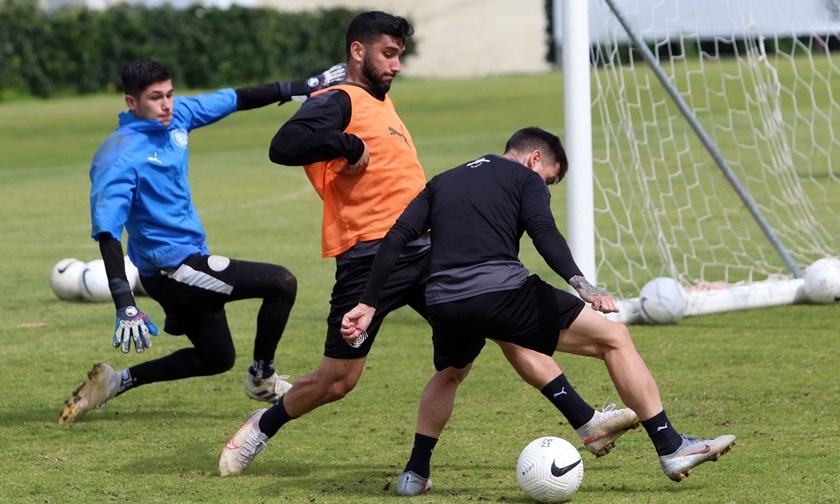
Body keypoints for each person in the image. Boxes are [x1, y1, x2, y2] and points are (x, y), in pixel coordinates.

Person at [217, 11, 639, 484]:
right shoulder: (341, 99)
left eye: (400, 55)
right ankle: (261, 426)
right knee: (338, 381)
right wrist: (349, 146)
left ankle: (584, 422)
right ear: (358, 51)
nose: (396, 65)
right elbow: (285, 143)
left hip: (431, 253)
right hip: (368, 255)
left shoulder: (383, 106)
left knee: (504, 327)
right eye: (388, 53)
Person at [340, 126, 737, 493]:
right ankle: (670, 446)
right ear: (533, 159)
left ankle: (415, 473)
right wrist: (583, 285)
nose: (544, 184)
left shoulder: (442, 182)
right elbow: (543, 230)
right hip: (502, 292)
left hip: (444, 301)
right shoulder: (524, 177)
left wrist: (368, 303)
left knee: (450, 373)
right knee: (614, 339)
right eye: (549, 178)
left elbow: (395, 239)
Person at [57, 58, 347, 424]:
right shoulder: (117, 156)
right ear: (131, 103)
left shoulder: (177, 116)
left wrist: (302, 86)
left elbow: (236, 98)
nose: (166, 105)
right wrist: (124, 304)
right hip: (171, 270)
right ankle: (262, 377)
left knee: (216, 357)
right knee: (280, 283)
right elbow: (107, 234)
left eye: (169, 95)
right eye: (155, 98)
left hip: (190, 260)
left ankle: (115, 381)